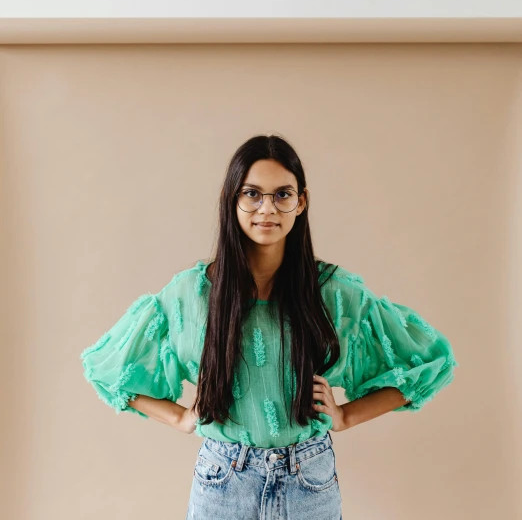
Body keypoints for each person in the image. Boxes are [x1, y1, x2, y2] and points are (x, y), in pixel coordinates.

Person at [80, 133, 458, 519]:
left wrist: (344, 416)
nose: (267, 209)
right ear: (233, 200)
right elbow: (108, 370)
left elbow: (430, 363)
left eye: (282, 194)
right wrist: (180, 417)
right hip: (222, 482)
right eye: (252, 194)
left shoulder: (334, 291)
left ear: (301, 202)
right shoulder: (191, 293)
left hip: (309, 482)